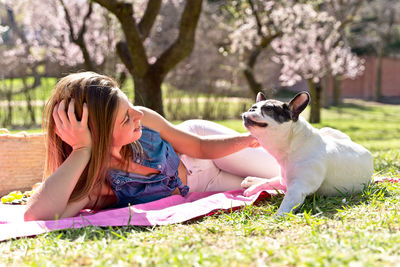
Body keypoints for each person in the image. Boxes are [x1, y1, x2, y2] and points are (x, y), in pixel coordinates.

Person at [24, 72, 280, 221]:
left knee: (289, 171)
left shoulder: (144, 119)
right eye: (126, 117)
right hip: (204, 186)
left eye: (130, 105)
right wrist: (82, 150)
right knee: (280, 188)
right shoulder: (99, 185)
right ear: (99, 137)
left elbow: (200, 147)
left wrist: (246, 141)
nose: (138, 114)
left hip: (206, 153)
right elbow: (36, 217)